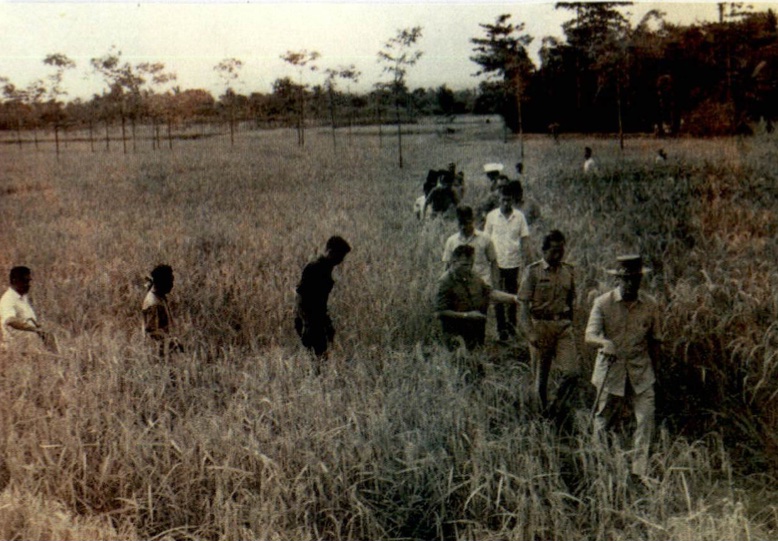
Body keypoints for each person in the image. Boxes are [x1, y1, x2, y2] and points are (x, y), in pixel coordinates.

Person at [585, 254, 662, 485]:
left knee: (645, 419)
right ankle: (600, 467)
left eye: (635, 280)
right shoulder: (602, 303)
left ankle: (640, 472)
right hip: (611, 371)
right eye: (626, 279)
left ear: (641, 280)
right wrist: (604, 343)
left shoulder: (650, 304)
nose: (630, 284)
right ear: (617, 280)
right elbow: (589, 335)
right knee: (603, 420)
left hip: (641, 371)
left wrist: (656, 373)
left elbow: (656, 340)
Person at [518, 231, 579, 426]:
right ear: (544, 250)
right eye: (554, 250)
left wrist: (570, 324)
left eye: (561, 250)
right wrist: (530, 332)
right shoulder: (533, 272)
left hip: (562, 328)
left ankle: (556, 409)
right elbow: (523, 306)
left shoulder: (568, 271)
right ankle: (540, 421)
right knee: (540, 380)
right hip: (540, 327)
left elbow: (571, 302)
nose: (558, 255)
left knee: (572, 373)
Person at [435, 244, 520, 352]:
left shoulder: (474, 276)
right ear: (453, 262)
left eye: (471, 264)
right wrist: (467, 316)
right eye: (465, 265)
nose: (469, 268)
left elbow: (490, 293)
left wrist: (514, 299)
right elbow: (440, 312)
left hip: (476, 331)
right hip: (456, 335)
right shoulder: (445, 282)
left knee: (478, 361)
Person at [484, 186, 531, 340]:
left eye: (508, 200)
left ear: (513, 200)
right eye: (503, 199)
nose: (505, 202)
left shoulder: (519, 217)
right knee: (497, 295)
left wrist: (527, 262)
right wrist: (488, 260)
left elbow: (524, 240)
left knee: (512, 296)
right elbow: (486, 240)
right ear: (499, 199)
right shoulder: (492, 216)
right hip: (496, 263)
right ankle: (501, 329)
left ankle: (512, 328)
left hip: (513, 262)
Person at [295, 235, 351, 359]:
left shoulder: (325, 268)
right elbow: (302, 297)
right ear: (331, 252)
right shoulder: (314, 268)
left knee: (320, 358)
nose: (341, 260)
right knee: (315, 358)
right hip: (310, 319)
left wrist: (327, 323)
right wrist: (307, 323)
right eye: (340, 256)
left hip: (317, 318)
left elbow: (320, 302)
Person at [443, 206, 498, 287]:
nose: (463, 227)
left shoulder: (485, 238)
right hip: (461, 288)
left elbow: (493, 262)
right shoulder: (451, 241)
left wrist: (496, 285)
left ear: (472, 220)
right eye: (460, 223)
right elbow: (447, 266)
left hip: (483, 285)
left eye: (466, 223)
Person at [0, 266, 49, 353]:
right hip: (18, 349)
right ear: (15, 281)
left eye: (29, 281)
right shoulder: (8, 299)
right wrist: (33, 329)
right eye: (25, 281)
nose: (28, 284)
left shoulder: (23, 297)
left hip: (31, 347)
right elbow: (10, 320)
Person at [142, 264, 183, 359]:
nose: (172, 286)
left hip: (163, 348)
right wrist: (173, 342)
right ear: (162, 283)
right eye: (170, 282)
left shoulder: (158, 295)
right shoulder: (154, 304)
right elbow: (152, 332)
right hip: (157, 353)